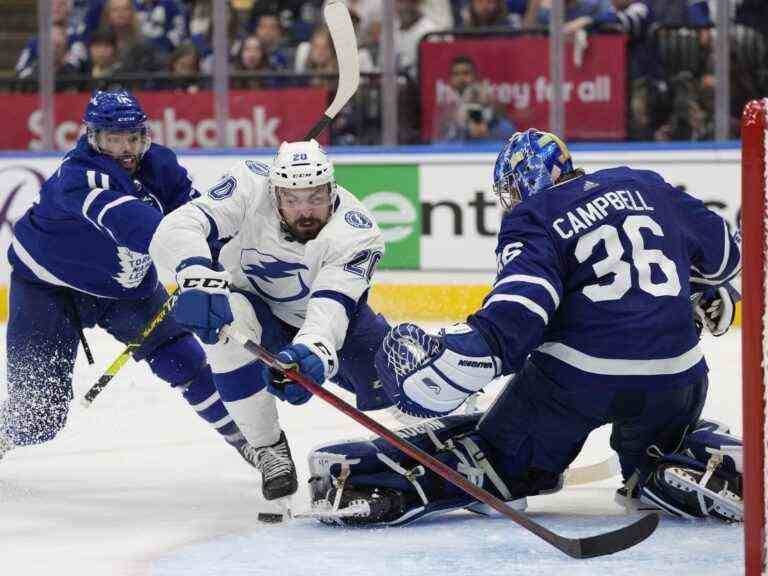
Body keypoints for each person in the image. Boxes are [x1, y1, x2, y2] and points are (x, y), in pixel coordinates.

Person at [306, 128, 744, 526]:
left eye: (510, 192)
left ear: (524, 182)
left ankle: (392, 483)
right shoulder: (646, 184)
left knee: (498, 461)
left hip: (578, 382)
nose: (510, 202)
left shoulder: (534, 215)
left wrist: (457, 355)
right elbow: (728, 256)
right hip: (677, 379)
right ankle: (670, 467)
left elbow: (520, 312)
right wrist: (699, 290)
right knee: (654, 450)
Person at [0, 90, 253, 473]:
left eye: (133, 138)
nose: (125, 149)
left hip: (127, 292)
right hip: (48, 291)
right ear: (92, 137)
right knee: (38, 418)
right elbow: (135, 224)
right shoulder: (79, 177)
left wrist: (232, 243)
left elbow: (199, 218)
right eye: (113, 139)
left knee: (184, 359)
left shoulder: (160, 165)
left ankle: (254, 444)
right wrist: (193, 261)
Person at [148, 139, 394, 501]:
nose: (305, 210)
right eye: (292, 200)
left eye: (315, 198)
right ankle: (268, 448)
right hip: (255, 308)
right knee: (224, 330)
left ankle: (449, 434)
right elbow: (178, 226)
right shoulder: (250, 185)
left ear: (332, 190)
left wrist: (312, 353)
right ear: (274, 194)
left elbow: (330, 308)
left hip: (331, 325)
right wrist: (196, 271)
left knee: (400, 385)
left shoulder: (357, 233)